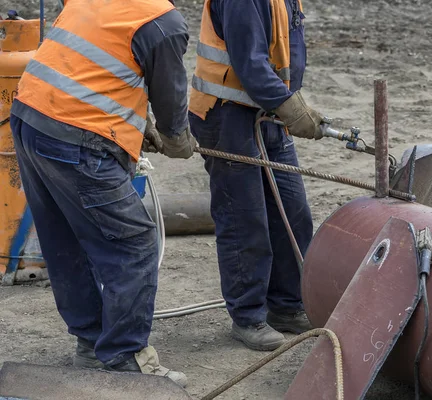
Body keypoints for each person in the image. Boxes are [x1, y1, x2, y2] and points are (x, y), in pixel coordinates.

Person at [10, 0, 195, 386]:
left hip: (31, 116)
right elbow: (171, 100)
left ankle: (91, 343)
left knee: (64, 235)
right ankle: (125, 356)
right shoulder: (163, 23)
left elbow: (95, 64)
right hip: (75, 139)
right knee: (134, 242)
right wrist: (177, 139)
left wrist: (132, 119)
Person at [188, 0, 324, 351]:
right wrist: (289, 105)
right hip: (227, 115)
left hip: (268, 110)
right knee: (244, 220)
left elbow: (284, 49)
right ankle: (248, 316)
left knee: (292, 212)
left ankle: (287, 305)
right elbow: (250, 62)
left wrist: (290, 101)